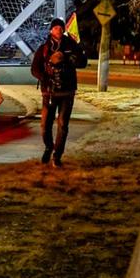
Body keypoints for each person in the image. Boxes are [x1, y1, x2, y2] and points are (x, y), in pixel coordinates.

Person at [31, 17, 87, 167]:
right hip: (49, 93)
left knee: (62, 124)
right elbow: (34, 69)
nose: (59, 30)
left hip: (67, 92)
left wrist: (69, 59)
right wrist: (45, 78)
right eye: (56, 28)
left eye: (61, 28)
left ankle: (57, 156)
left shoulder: (71, 45)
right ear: (51, 30)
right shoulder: (43, 48)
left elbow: (83, 62)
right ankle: (49, 147)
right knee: (45, 125)